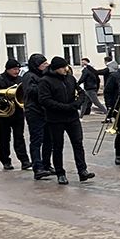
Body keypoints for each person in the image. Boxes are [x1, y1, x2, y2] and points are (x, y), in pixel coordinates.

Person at [37, 57, 95, 185]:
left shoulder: (70, 78)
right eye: (63, 67)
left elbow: (81, 92)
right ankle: (60, 173)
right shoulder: (45, 81)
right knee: (58, 146)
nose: (66, 69)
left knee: (78, 144)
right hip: (55, 119)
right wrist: (65, 107)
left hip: (72, 117)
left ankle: (82, 171)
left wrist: (77, 104)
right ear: (56, 68)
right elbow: (45, 100)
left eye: (66, 66)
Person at [19, 54, 54, 180]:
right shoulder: (29, 76)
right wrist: (44, 86)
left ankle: (46, 164)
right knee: (36, 140)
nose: (45, 66)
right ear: (36, 65)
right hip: (34, 112)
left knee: (49, 140)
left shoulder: (45, 76)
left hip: (46, 112)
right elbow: (31, 91)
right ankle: (37, 167)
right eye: (43, 64)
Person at [0, 58, 30, 170]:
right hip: (3, 114)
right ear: (8, 69)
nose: (17, 71)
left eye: (18, 69)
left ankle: (25, 161)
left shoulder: (20, 80)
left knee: (19, 137)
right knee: (4, 138)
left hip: (17, 113)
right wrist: (0, 98)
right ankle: (5, 161)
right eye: (14, 69)